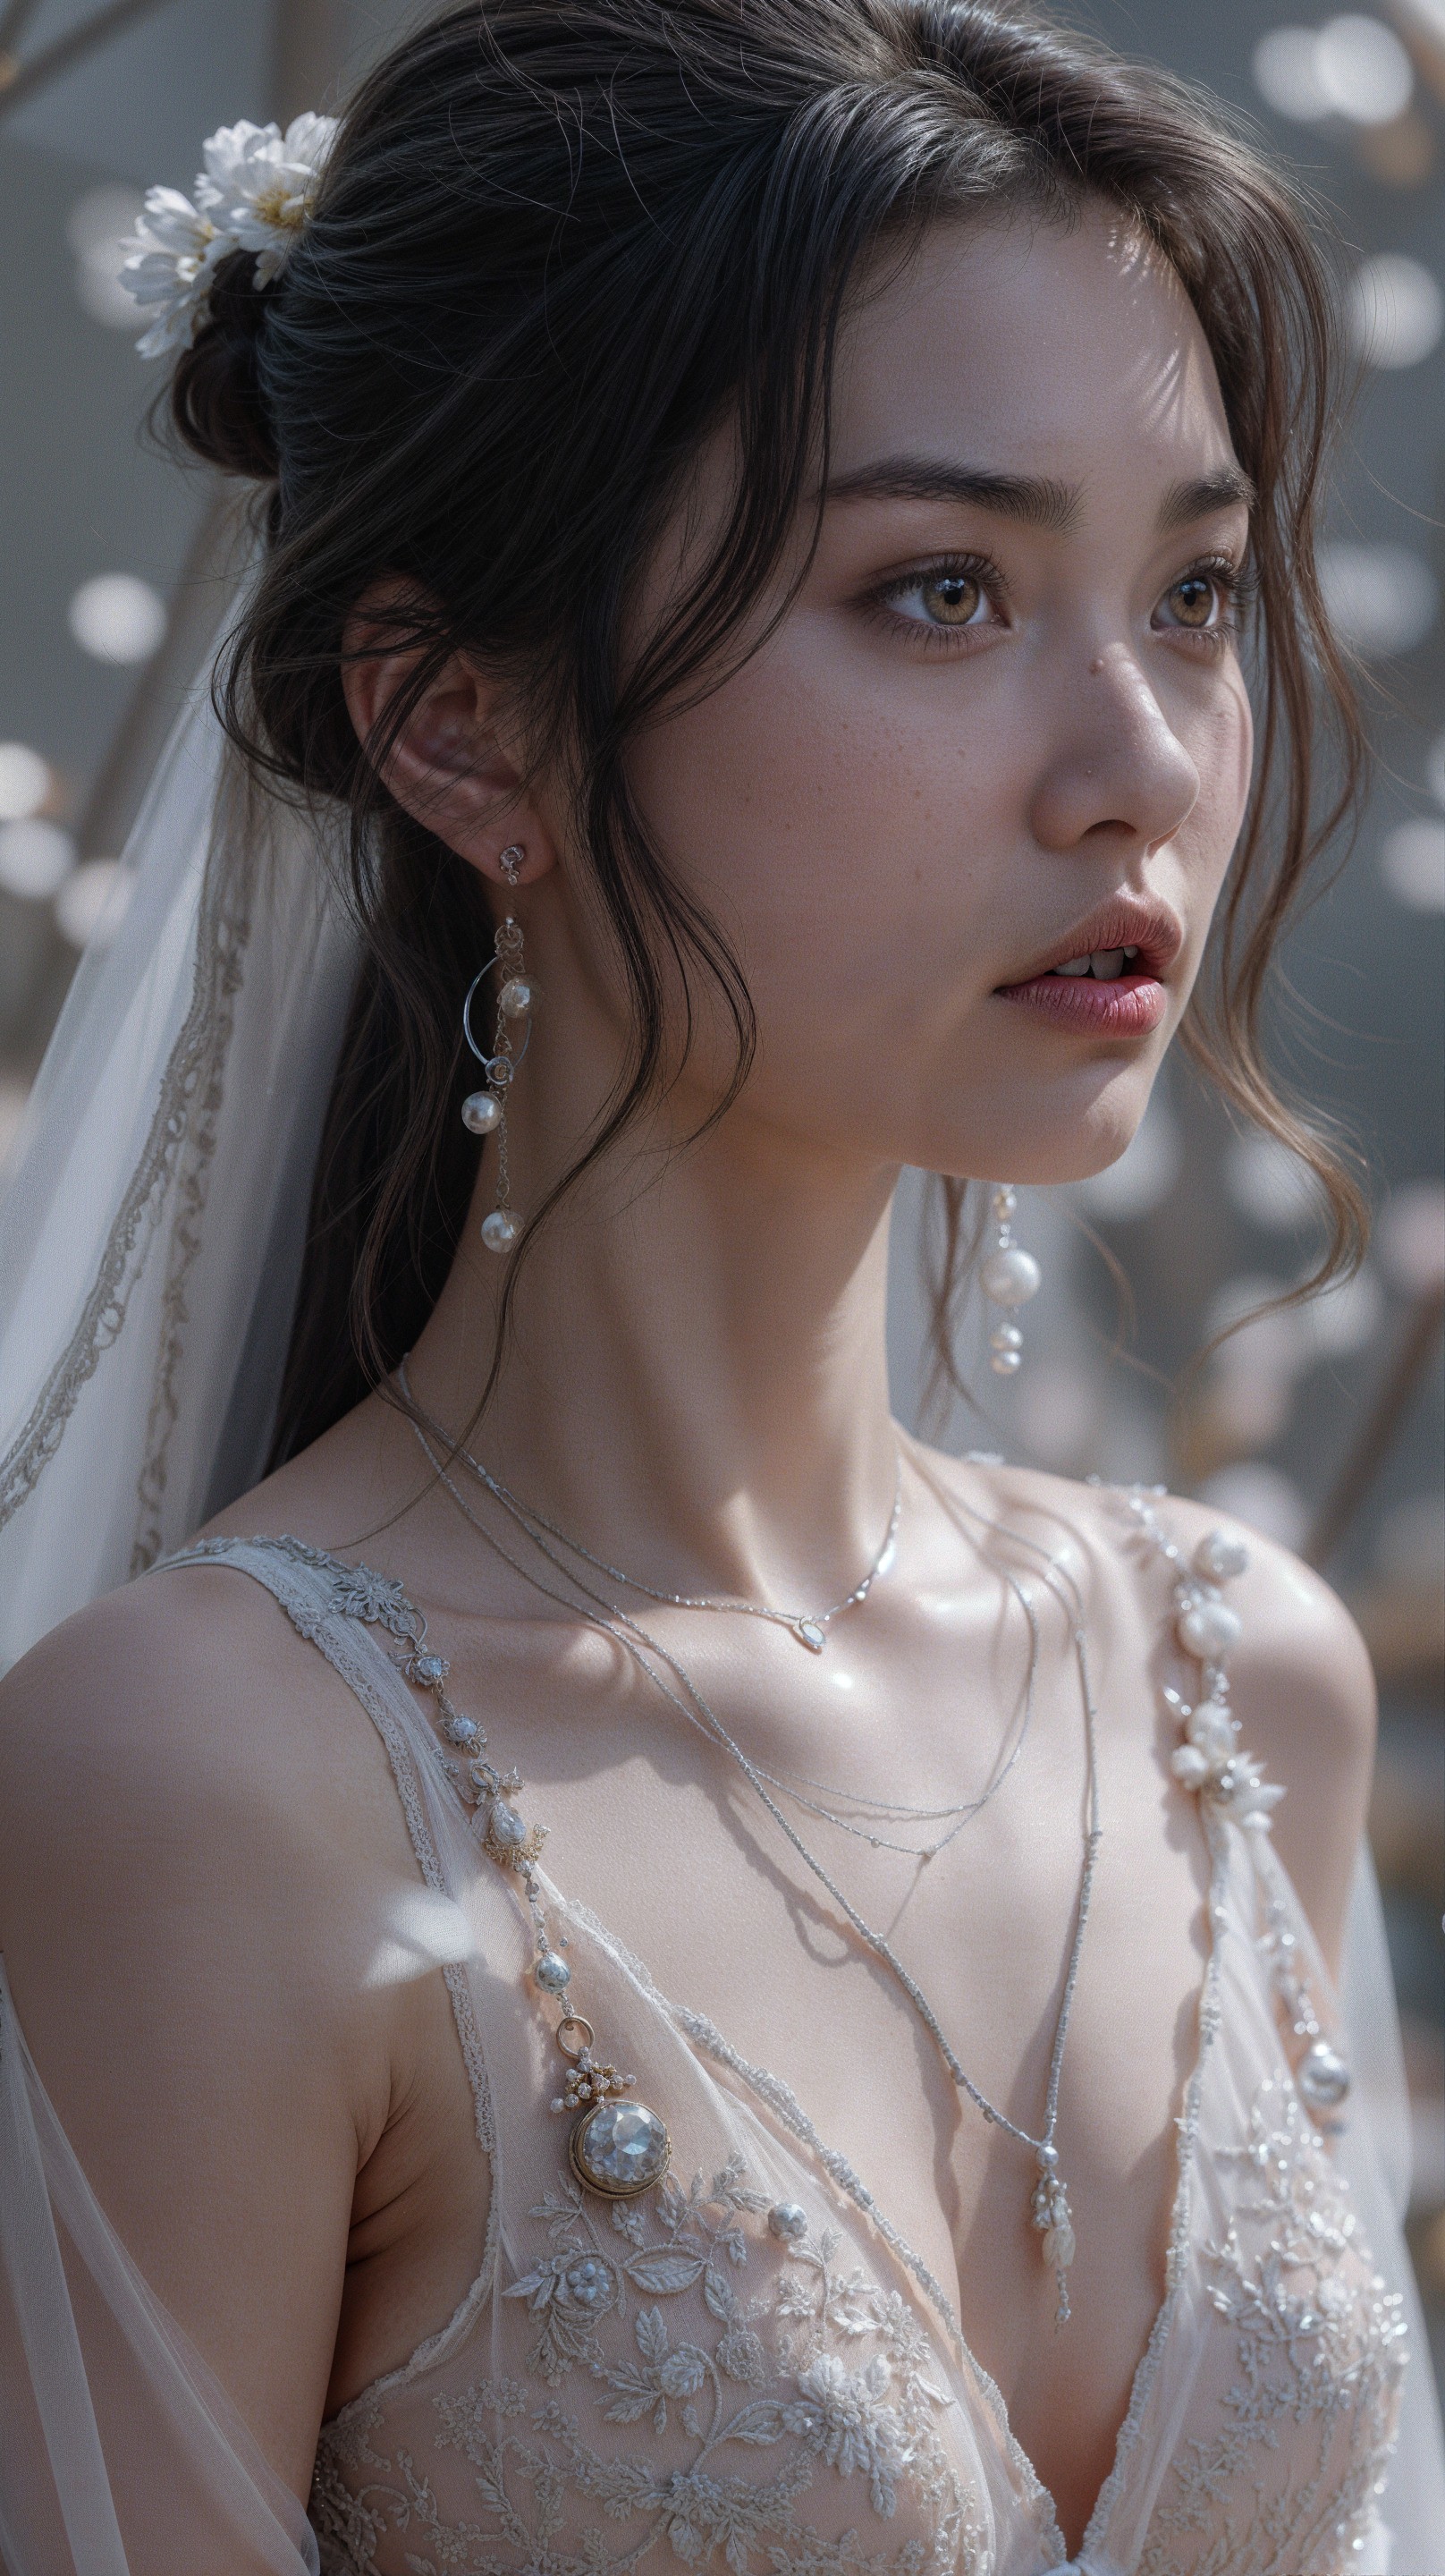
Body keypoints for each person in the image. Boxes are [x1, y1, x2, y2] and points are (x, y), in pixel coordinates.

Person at [0, 3, 1441, 2568]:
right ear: (461, 727)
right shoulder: (209, 1789)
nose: (1137, 758)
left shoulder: (1239, 1677)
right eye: (940, 589)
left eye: (1197, 590)